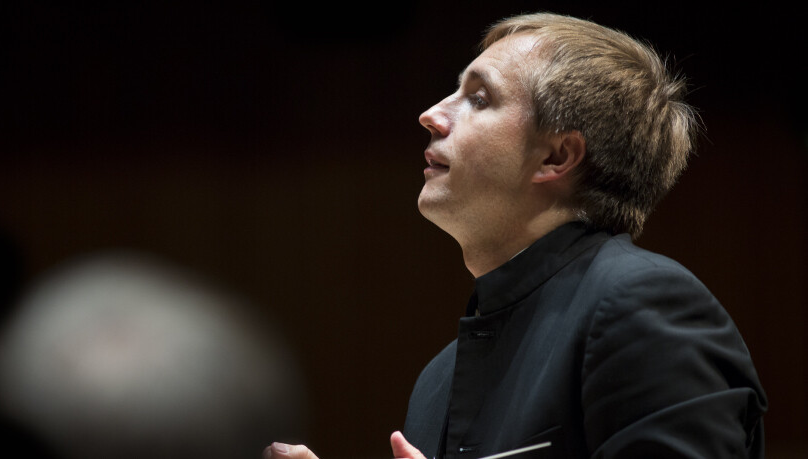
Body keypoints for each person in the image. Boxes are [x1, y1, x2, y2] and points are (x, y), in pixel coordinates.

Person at [265, 12, 766, 459]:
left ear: (555, 157)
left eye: (479, 99)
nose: (432, 115)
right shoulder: (438, 381)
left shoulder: (641, 304)